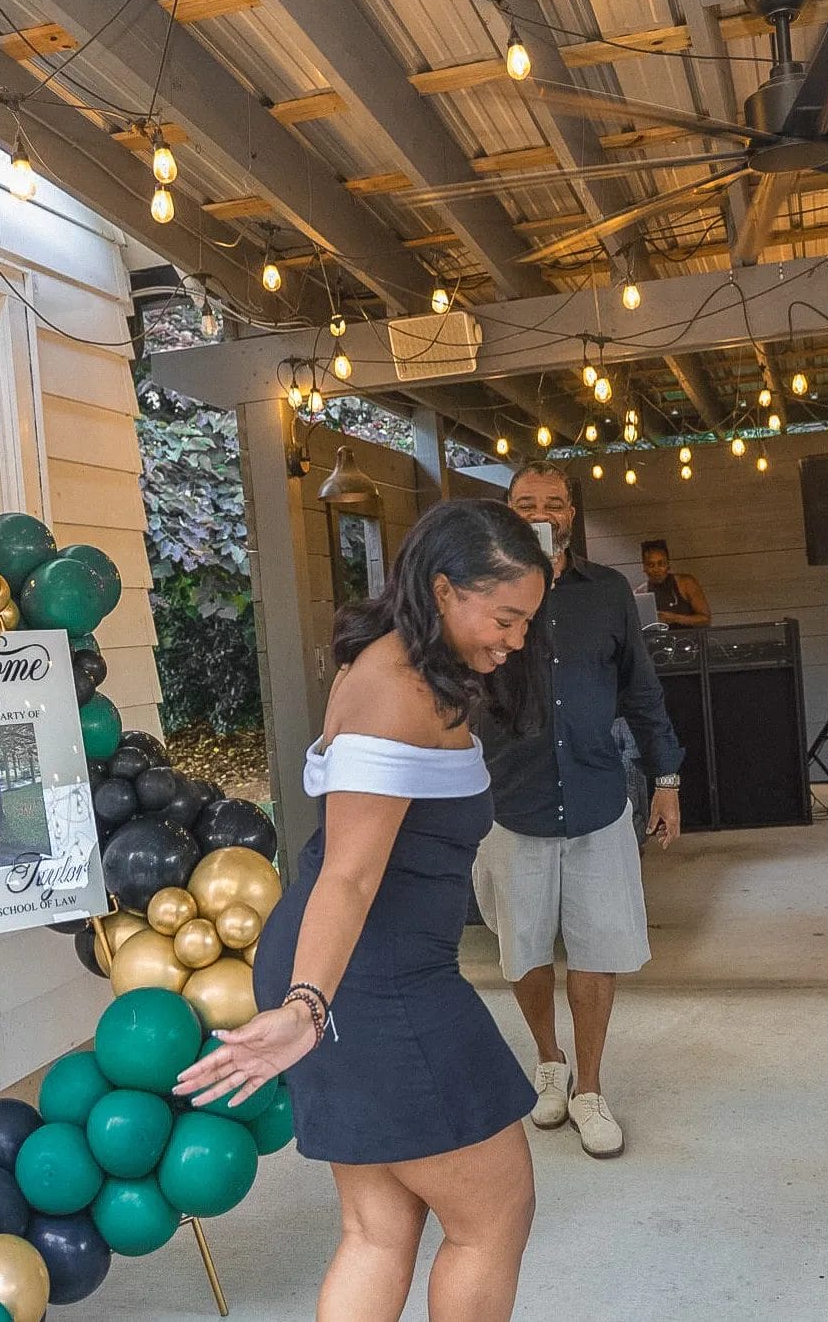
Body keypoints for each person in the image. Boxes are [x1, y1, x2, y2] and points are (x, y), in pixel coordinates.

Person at [176, 499, 551, 1322]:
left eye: (527, 622)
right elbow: (347, 875)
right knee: (493, 1218)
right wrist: (307, 1007)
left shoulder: (400, 663)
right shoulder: (396, 688)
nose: (516, 639)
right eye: (505, 617)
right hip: (375, 982)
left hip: (362, 971)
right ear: (447, 589)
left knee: (379, 1228)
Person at [473, 462, 683, 1161]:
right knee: (523, 949)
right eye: (525, 503)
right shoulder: (480, 596)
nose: (541, 512)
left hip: (596, 799)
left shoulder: (609, 592)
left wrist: (668, 777)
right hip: (510, 801)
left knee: (598, 949)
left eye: (553, 503)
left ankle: (590, 1087)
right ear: (506, 514)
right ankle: (549, 1061)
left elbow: (642, 690)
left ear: (571, 514)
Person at [639, 538, 711, 627]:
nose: (656, 569)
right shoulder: (641, 592)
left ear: (668, 565)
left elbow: (705, 619)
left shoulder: (685, 583)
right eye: (651, 565)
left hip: (688, 638)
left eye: (661, 564)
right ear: (644, 568)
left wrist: (674, 618)